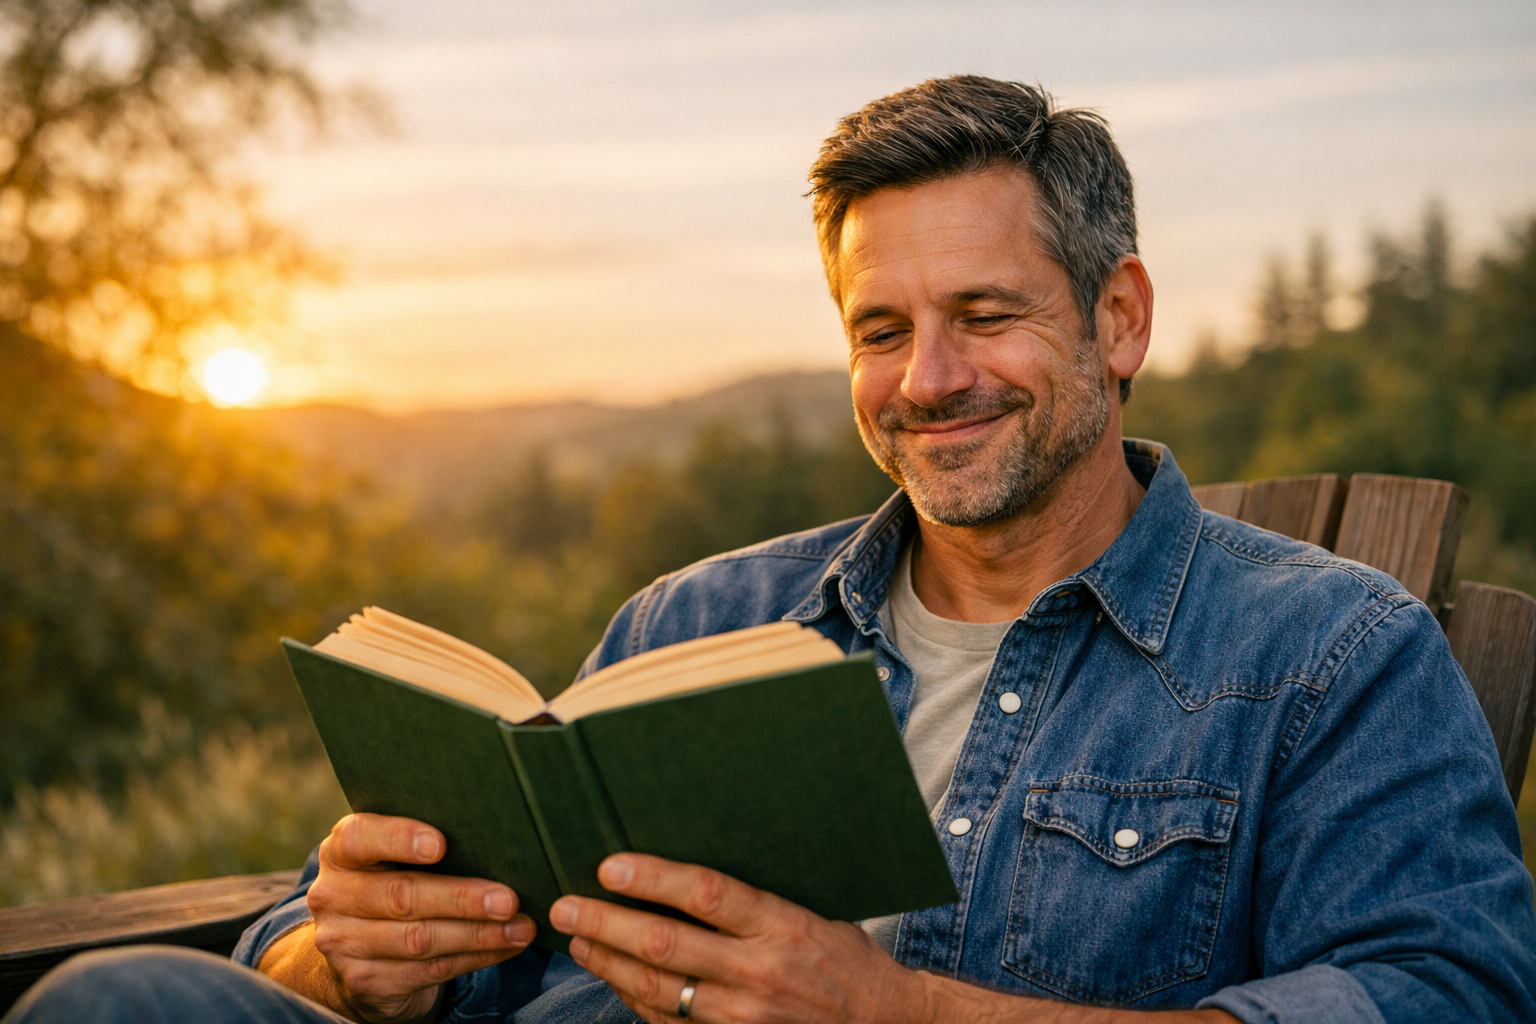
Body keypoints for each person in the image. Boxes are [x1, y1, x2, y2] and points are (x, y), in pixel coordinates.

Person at [6, 74, 1534, 1024]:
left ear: (1118, 318)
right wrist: (345, 959)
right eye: (883, 329)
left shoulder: (1323, 654)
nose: (927, 379)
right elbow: (456, 950)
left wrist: (899, 1017)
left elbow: (1443, 997)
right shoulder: (706, 616)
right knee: (125, 994)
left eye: (986, 316)